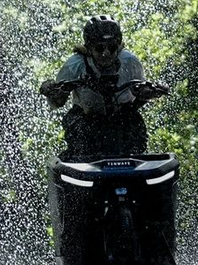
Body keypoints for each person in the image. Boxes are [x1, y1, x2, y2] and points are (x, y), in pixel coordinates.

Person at [39, 14, 166, 160]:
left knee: (134, 127)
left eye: (111, 48)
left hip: (121, 117)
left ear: (118, 46)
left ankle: (134, 165)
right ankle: (79, 166)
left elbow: (139, 93)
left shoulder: (130, 62)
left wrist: (150, 93)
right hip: (86, 117)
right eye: (99, 48)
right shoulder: (75, 65)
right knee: (80, 131)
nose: (105, 53)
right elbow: (57, 102)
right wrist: (51, 90)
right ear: (89, 47)